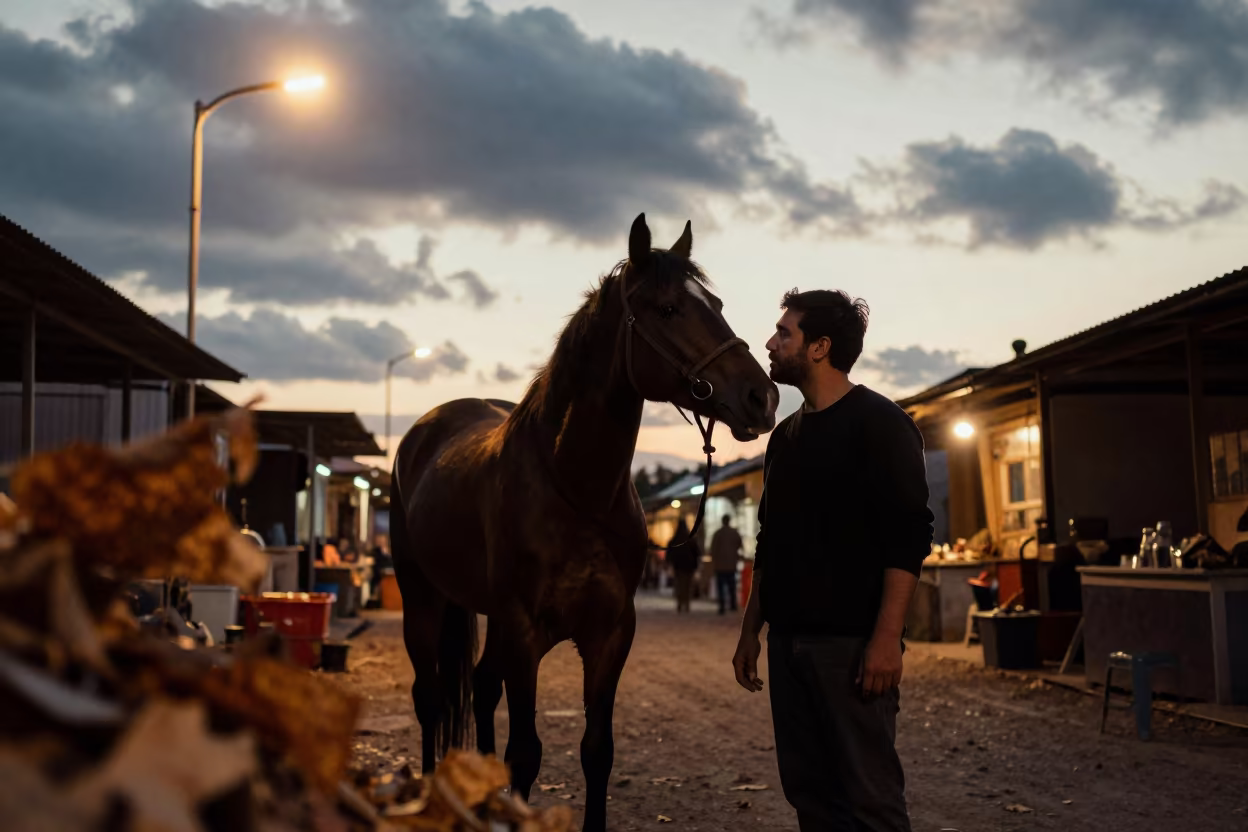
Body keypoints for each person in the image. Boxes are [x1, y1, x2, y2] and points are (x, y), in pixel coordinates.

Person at [732, 288, 933, 832]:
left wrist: (887, 639)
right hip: (789, 647)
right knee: (810, 798)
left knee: (871, 802)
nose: (770, 343)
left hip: (850, 648)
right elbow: (769, 541)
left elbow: (907, 537)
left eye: (784, 333)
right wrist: (752, 631)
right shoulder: (785, 440)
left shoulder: (882, 423)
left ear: (819, 347)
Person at [709, 514, 743, 615]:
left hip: (720, 565)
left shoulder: (718, 533)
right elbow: (740, 545)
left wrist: (714, 560)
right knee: (731, 585)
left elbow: (713, 549)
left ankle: (722, 606)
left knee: (721, 587)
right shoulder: (734, 533)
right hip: (731, 564)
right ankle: (733, 605)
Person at [667, 518, 700, 613]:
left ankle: (680, 603)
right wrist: (696, 566)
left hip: (678, 567)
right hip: (690, 567)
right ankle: (687, 603)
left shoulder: (674, 540)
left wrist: (670, 564)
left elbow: (670, 553)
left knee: (679, 585)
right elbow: (697, 553)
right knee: (688, 586)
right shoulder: (691, 539)